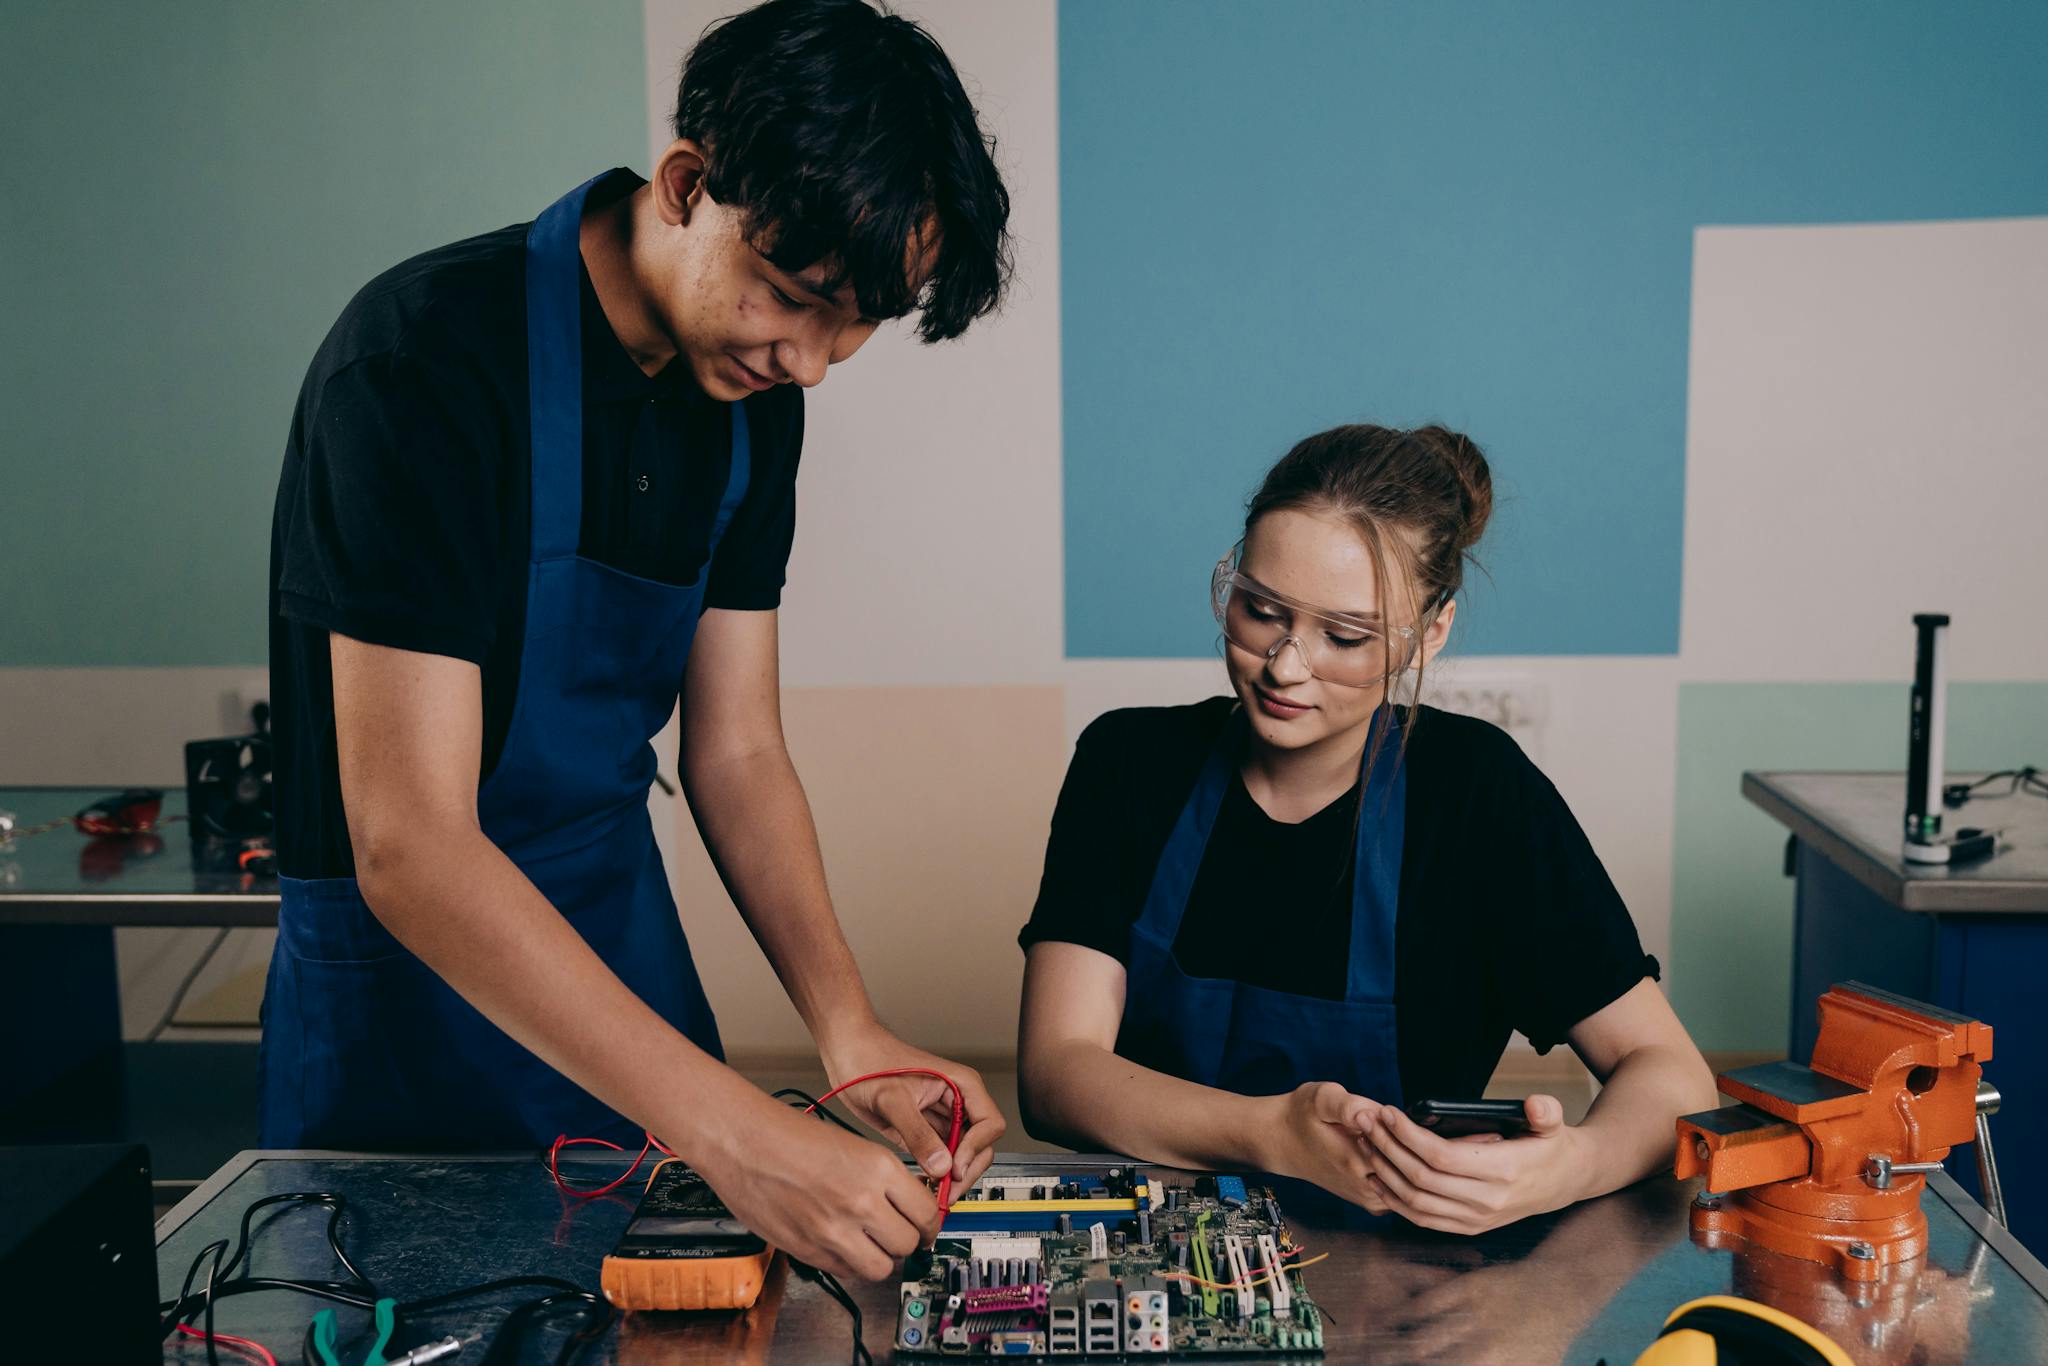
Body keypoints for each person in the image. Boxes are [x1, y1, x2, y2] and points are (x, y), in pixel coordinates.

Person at [263, 0, 1012, 1281]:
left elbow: (735, 752)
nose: (816, 363)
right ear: (684, 186)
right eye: (794, 298)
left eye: (856, 327)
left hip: (617, 936)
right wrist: (730, 1124)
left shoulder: (751, 398)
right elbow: (411, 843)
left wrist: (850, 1034)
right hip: (403, 994)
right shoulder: (423, 364)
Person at [1017, 424, 1717, 1232]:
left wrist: (1571, 1166)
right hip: (1156, 1255)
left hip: (1413, 1280)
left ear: (1434, 631)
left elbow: (1670, 1072)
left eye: (1345, 637)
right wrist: (1271, 1133)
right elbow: (1057, 1074)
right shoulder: (1130, 763)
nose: (1284, 666)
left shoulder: (1477, 797)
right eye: (1260, 610)